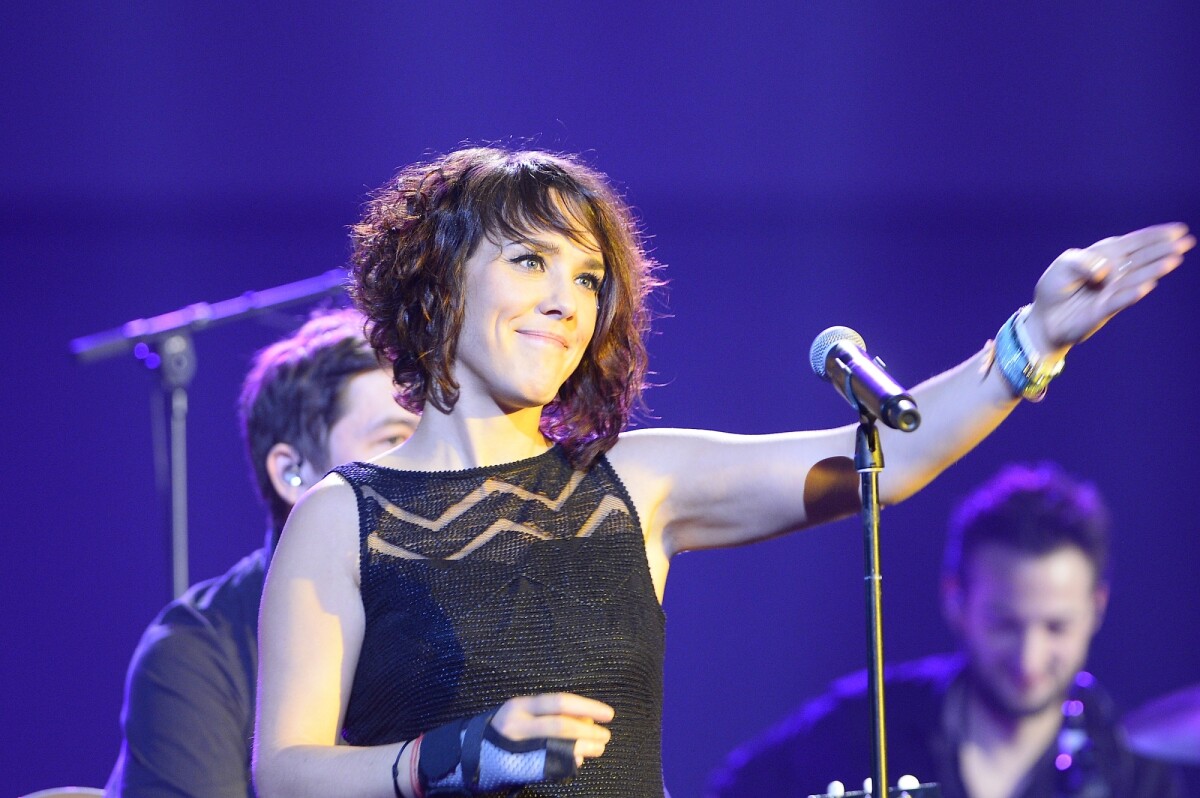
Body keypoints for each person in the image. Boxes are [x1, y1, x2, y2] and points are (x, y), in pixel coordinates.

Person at [250, 146, 1193, 798]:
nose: (564, 301)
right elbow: (283, 772)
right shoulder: (344, 517)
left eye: (587, 278)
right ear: (440, 282)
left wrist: (1033, 341)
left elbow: (885, 458)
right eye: (531, 261)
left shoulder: (635, 481)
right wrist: (442, 759)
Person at [707, 462, 1185, 798]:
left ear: (1096, 608)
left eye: (1056, 627)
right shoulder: (863, 725)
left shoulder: (1134, 775)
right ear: (956, 600)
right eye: (1005, 623)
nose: (1029, 657)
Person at [105, 308, 420, 798]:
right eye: (394, 440)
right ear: (293, 471)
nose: (425, 467)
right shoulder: (196, 652)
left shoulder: (453, 607)